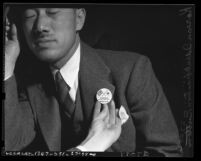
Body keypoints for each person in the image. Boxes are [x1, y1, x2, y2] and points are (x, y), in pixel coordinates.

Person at [4, 5, 183, 156]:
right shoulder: (27, 80)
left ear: (79, 18)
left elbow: (168, 152)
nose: (40, 26)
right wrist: (6, 63)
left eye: (53, 11)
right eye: (29, 15)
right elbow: (10, 143)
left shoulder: (132, 70)